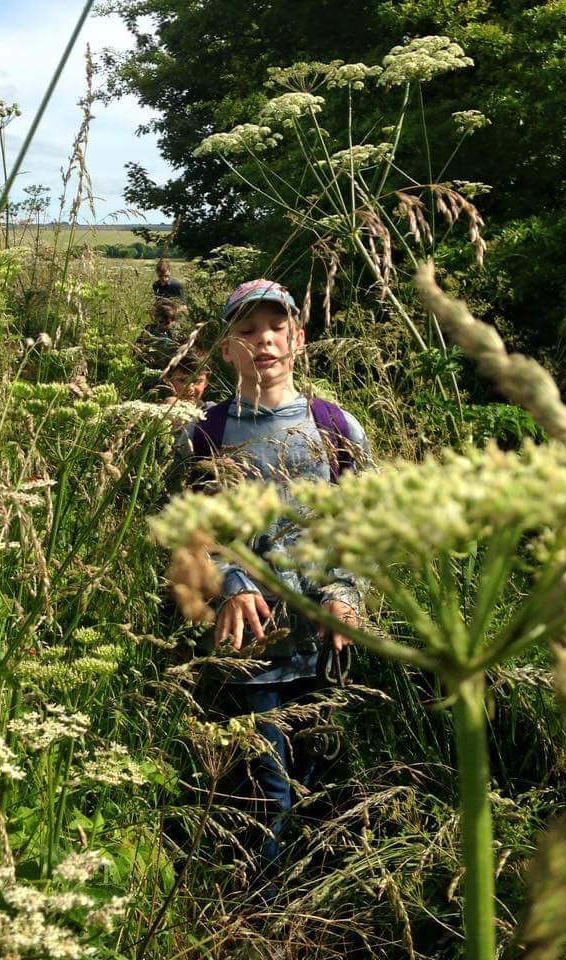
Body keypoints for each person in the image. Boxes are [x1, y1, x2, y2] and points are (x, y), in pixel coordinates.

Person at [181, 278, 370, 889]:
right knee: (270, 786)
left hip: (324, 640)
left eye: (277, 328)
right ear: (226, 348)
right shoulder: (206, 434)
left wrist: (348, 594)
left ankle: (320, 895)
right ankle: (261, 907)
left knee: (321, 776)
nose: (264, 340)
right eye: (247, 330)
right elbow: (194, 535)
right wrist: (233, 582)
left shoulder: (336, 427)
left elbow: (362, 527)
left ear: (298, 338)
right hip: (254, 646)